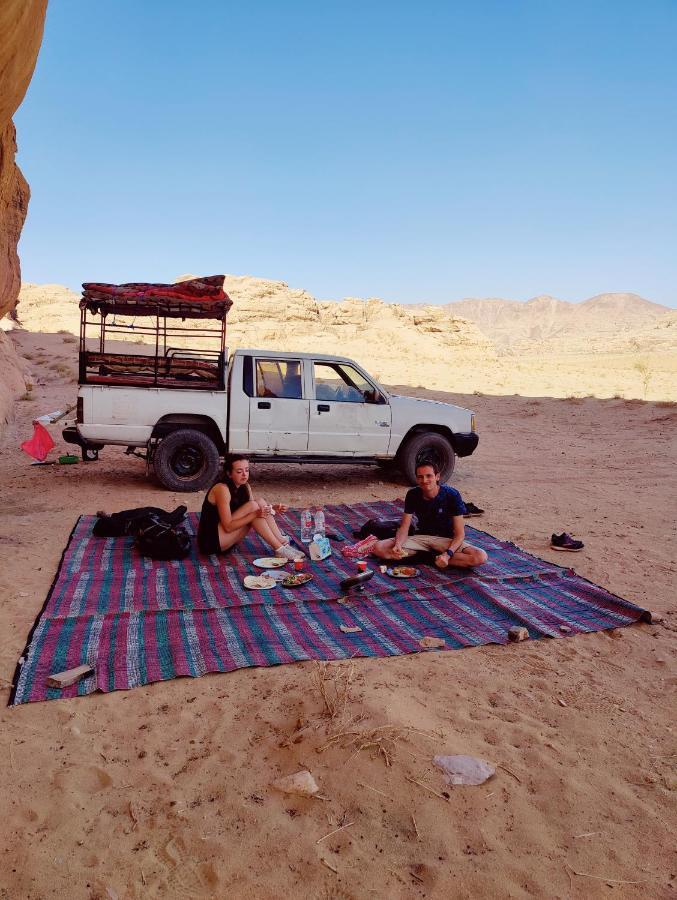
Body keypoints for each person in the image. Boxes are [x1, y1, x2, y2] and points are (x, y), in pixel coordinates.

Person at [372, 457, 488, 568]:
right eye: (420, 477)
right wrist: (398, 544)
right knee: (379, 548)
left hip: (446, 541)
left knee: (480, 557)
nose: (424, 480)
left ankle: (427, 557)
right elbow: (404, 528)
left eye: (429, 476)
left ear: (437, 477)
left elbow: (460, 534)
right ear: (417, 479)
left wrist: (448, 554)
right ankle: (432, 558)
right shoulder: (413, 494)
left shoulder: (452, 495)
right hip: (422, 538)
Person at [197, 455, 304, 560]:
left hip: (226, 537)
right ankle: (279, 549)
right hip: (211, 541)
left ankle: (282, 543)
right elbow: (228, 527)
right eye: (239, 471)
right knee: (254, 507)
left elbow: (256, 511)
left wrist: (272, 508)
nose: (244, 475)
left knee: (260, 502)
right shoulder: (222, 489)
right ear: (229, 474)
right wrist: (256, 514)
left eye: (247, 470)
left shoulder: (245, 486)